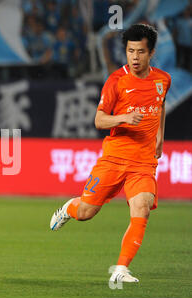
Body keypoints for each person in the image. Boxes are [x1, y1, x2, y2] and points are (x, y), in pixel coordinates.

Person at [49, 24, 171, 284]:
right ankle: (69, 208)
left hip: (143, 163)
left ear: (151, 53)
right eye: (130, 51)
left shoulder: (163, 80)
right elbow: (99, 120)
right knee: (86, 212)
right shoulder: (117, 81)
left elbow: (159, 107)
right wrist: (125, 117)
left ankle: (121, 269)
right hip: (114, 159)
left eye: (140, 52)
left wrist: (160, 136)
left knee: (142, 207)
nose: (135, 57)